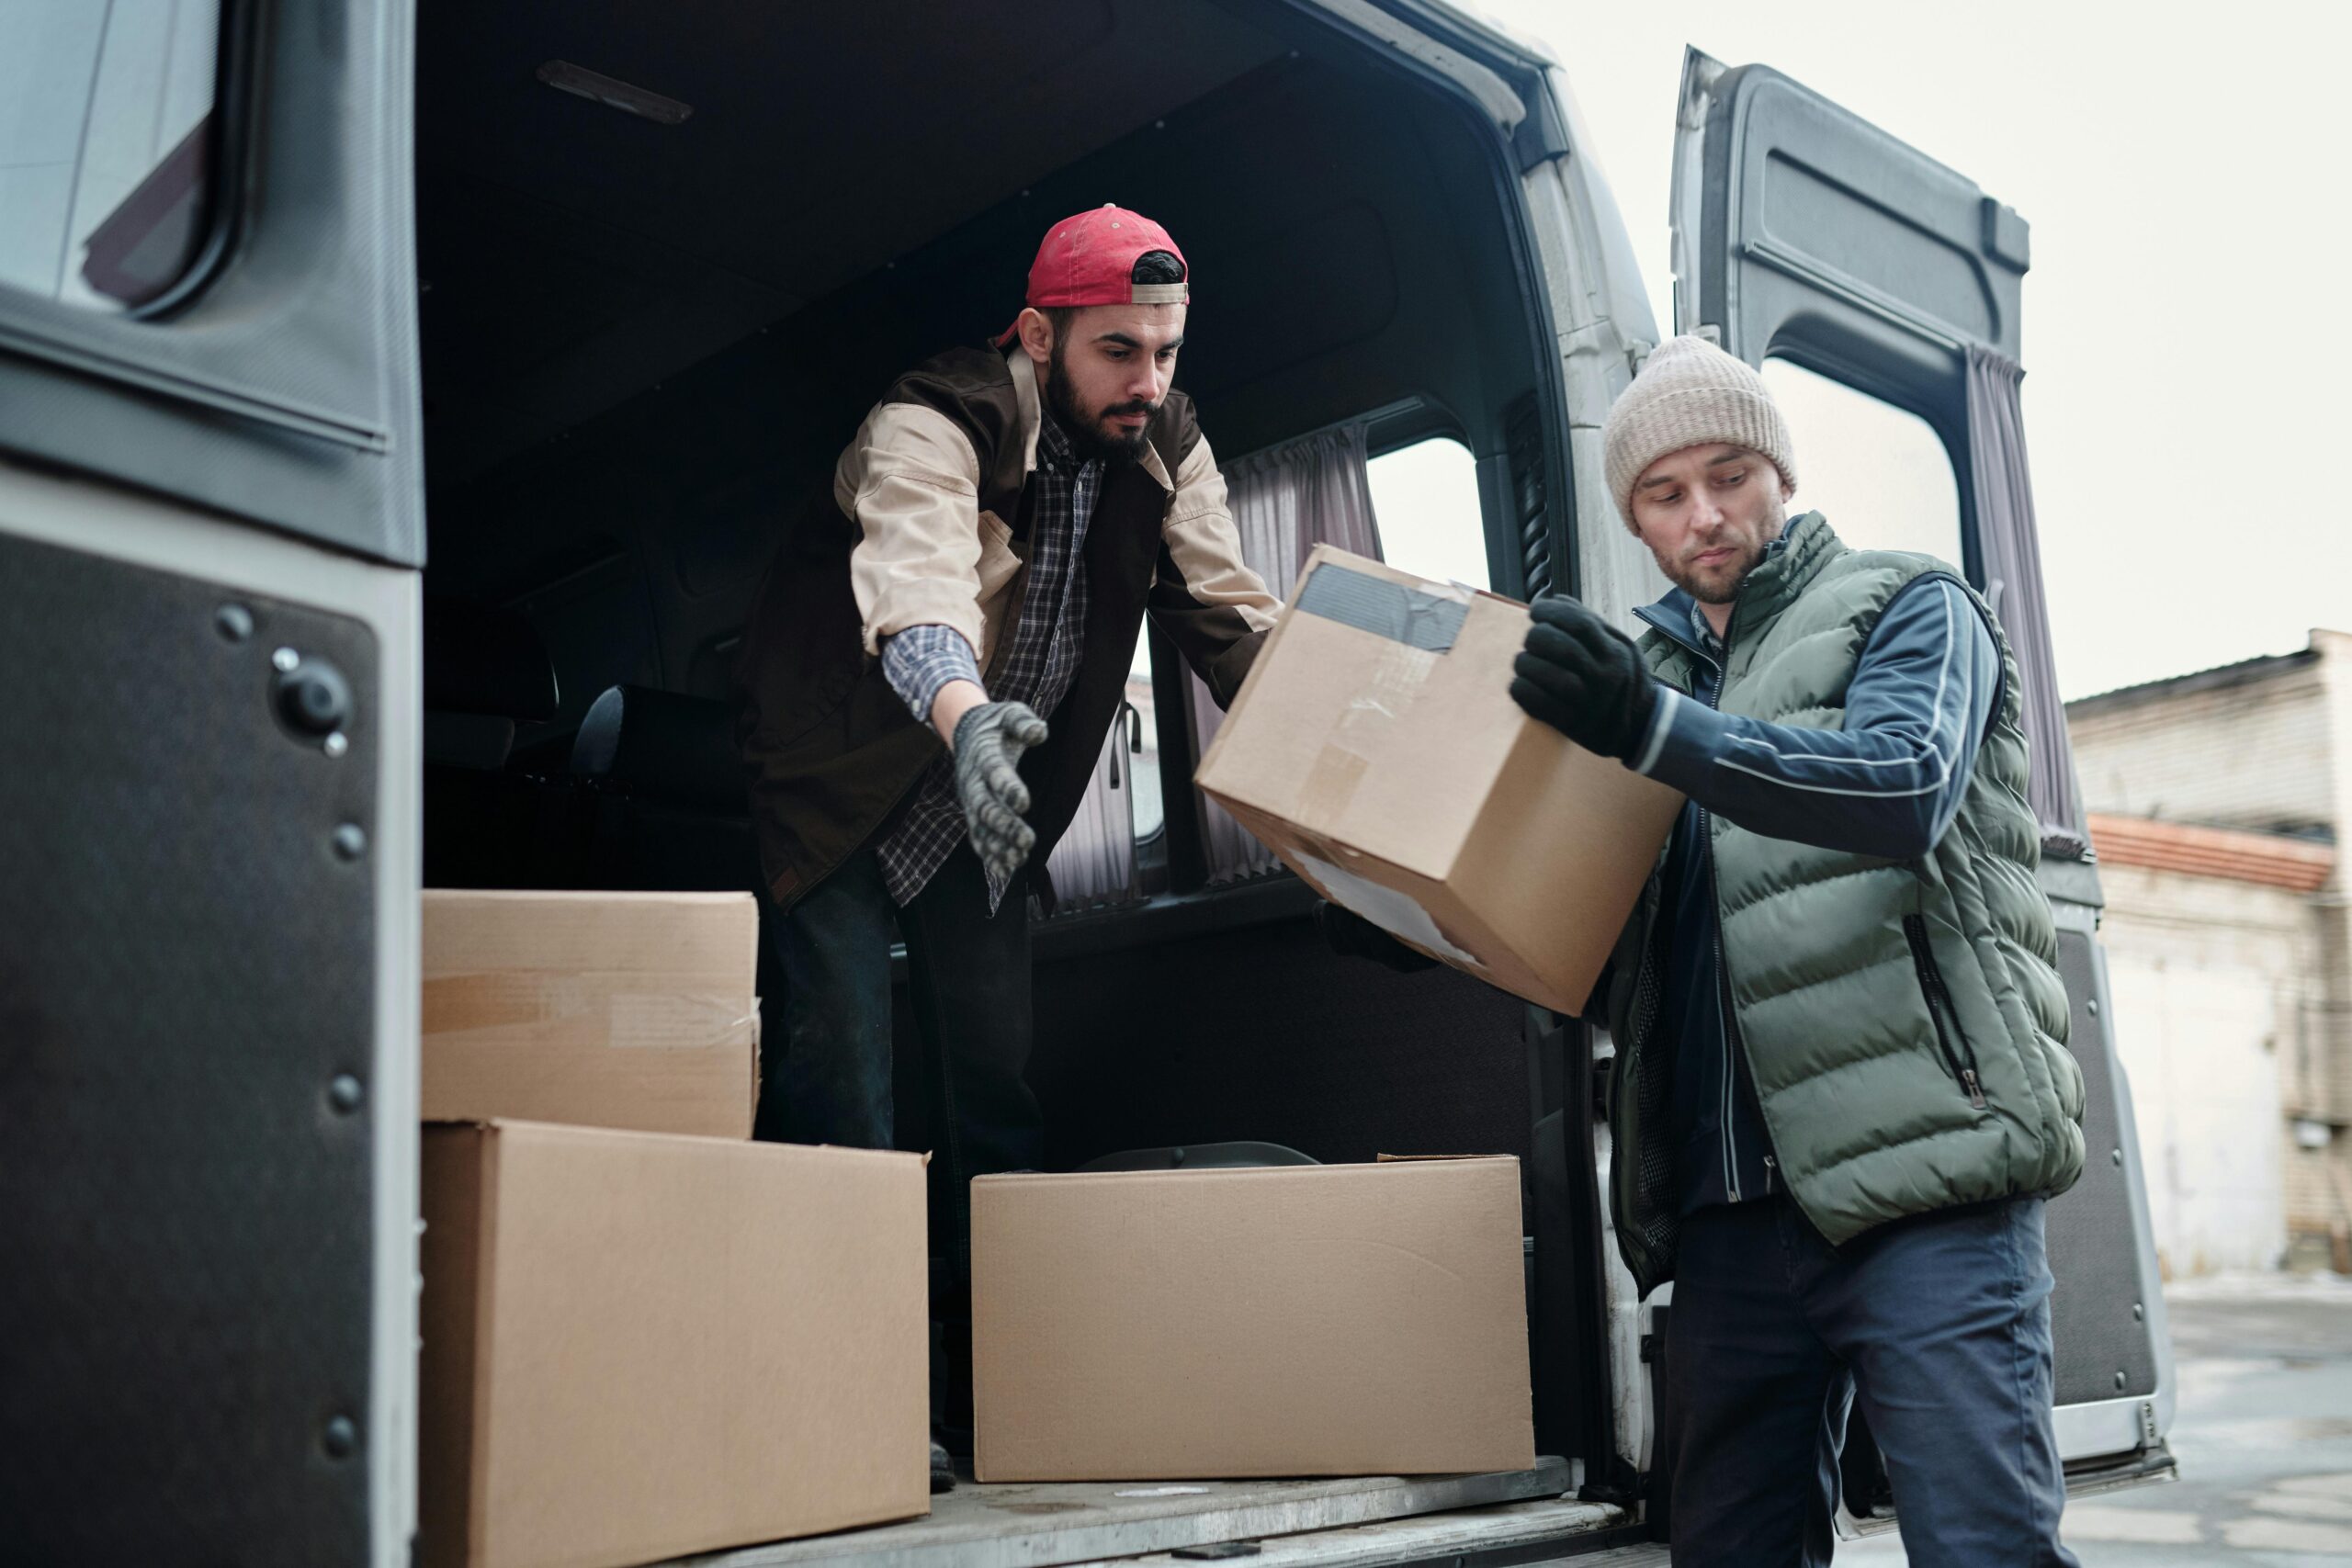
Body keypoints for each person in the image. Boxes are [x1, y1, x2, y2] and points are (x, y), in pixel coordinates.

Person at [1506, 334, 2087, 1565]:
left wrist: (1656, 725)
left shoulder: (1912, 602)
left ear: (1781, 473)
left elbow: (1901, 789)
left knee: (1983, 1549)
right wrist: (1433, 917)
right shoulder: (1643, 674)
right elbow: (1619, 939)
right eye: (1664, 495)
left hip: (1927, 1186)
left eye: (1730, 475)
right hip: (1727, 1227)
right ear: (1636, 518)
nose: (1704, 515)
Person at [732, 205, 1280, 1492]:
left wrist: (1363, 799)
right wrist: (967, 720)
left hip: (989, 813)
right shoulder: (936, 417)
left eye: (1167, 352)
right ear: (1039, 335)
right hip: (854, 781)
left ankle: (1003, 1399)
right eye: (1117, 354)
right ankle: (854, 1405)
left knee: (994, 1086)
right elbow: (916, 579)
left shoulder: (1170, 445)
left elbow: (1233, 619)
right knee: (847, 1088)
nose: (1148, 382)